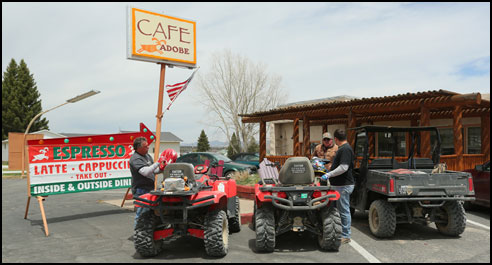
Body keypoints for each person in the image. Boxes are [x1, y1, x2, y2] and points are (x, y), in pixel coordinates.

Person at [129, 137, 177, 228]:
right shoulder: (135, 159)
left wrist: (162, 169)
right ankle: (139, 234)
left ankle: (149, 231)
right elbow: (145, 172)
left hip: (149, 188)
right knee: (141, 214)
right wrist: (158, 162)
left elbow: (153, 171)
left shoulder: (147, 156)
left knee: (149, 213)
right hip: (141, 190)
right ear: (138, 148)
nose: (148, 148)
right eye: (145, 146)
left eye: (148, 146)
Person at [321, 129, 355, 244]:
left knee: (344, 210)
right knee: (335, 210)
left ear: (335, 139)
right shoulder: (343, 148)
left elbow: (343, 168)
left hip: (343, 185)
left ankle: (346, 235)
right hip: (339, 185)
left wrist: (328, 174)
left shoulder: (345, 149)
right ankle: (338, 232)